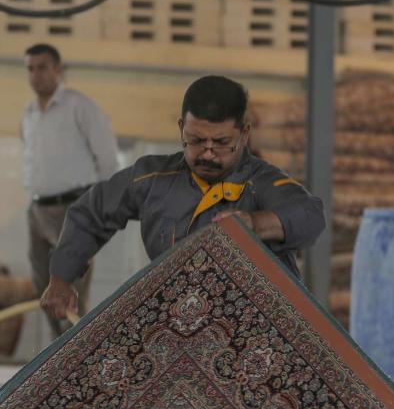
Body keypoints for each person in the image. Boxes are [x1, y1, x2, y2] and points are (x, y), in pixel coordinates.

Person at [41, 74, 325, 322]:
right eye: (197, 140)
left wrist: (255, 223)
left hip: (259, 329)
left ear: (245, 133)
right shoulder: (152, 178)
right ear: (181, 129)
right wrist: (61, 277)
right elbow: (93, 211)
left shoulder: (261, 183)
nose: (208, 153)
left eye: (222, 143)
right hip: (181, 325)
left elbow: (310, 214)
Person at [21, 43, 119, 336]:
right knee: (44, 288)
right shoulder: (29, 114)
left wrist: (97, 206)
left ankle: (78, 356)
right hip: (37, 209)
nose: (35, 75)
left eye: (42, 67)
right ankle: (59, 352)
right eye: (30, 68)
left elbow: (107, 158)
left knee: (69, 288)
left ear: (58, 70)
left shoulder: (79, 106)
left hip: (72, 207)